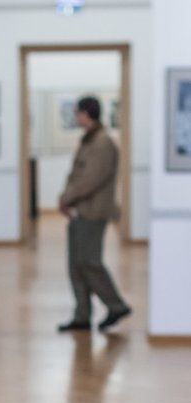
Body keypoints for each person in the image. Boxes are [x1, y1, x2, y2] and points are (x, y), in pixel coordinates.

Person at [57, 96, 131, 334]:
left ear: (87, 114)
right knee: (76, 265)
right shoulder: (89, 141)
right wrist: (66, 197)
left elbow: (90, 180)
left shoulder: (102, 144)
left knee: (89, 262)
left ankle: (116, 305)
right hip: (80, 211)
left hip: (92, 212)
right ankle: (82, 314)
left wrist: (66, 198)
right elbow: (76, 175)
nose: (76, 117)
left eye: (78, 112)